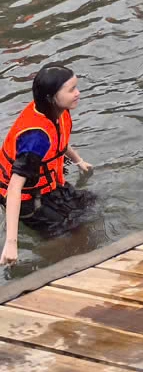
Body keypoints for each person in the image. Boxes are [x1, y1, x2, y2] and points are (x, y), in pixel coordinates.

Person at [1, 65, 95, 264]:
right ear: (51, 97)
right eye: (71, 90)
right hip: (25, 198)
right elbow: (14, 187)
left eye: (76, 87)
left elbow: (59, 141)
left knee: (89, 203)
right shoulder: (36, 138)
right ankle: (41, 263)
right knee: (67, 231)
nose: (78, 93)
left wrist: (78, 161)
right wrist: (11, 243)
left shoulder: (56, 112)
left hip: (48, 186)